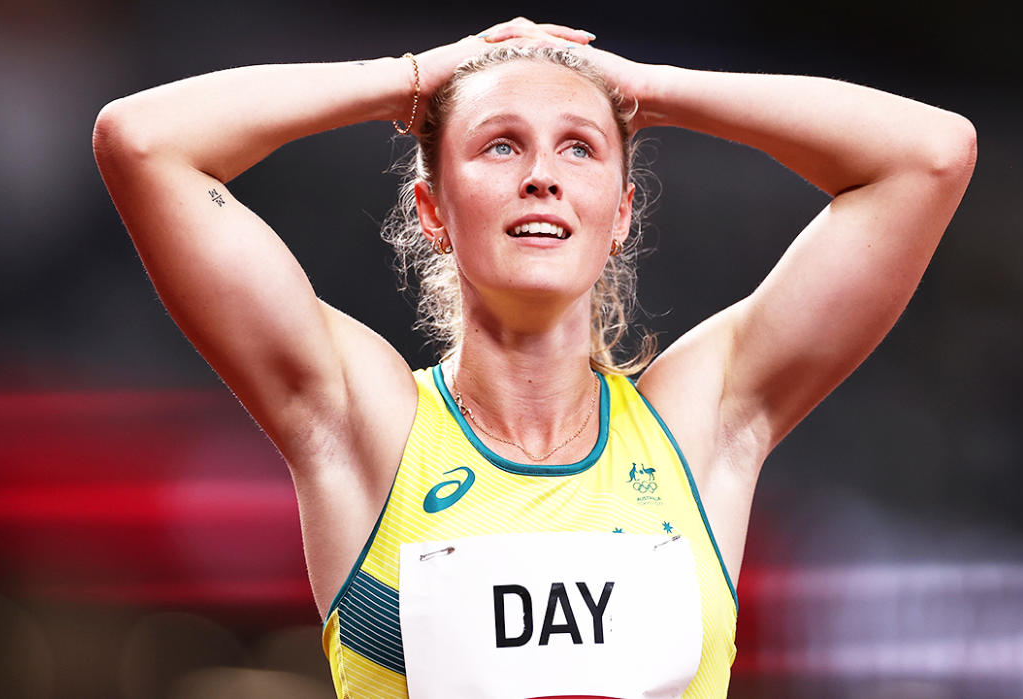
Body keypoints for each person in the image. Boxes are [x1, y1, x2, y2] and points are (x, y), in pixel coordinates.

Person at [93, 17, 975, 698]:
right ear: (432, 207)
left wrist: (651, 88)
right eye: (500, 144)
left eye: (579, 147)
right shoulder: (366, 426)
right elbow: (144, 143)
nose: (542, 175)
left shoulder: (698, 427)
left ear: (622, 209)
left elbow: (929, 157)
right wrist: (409, 80)